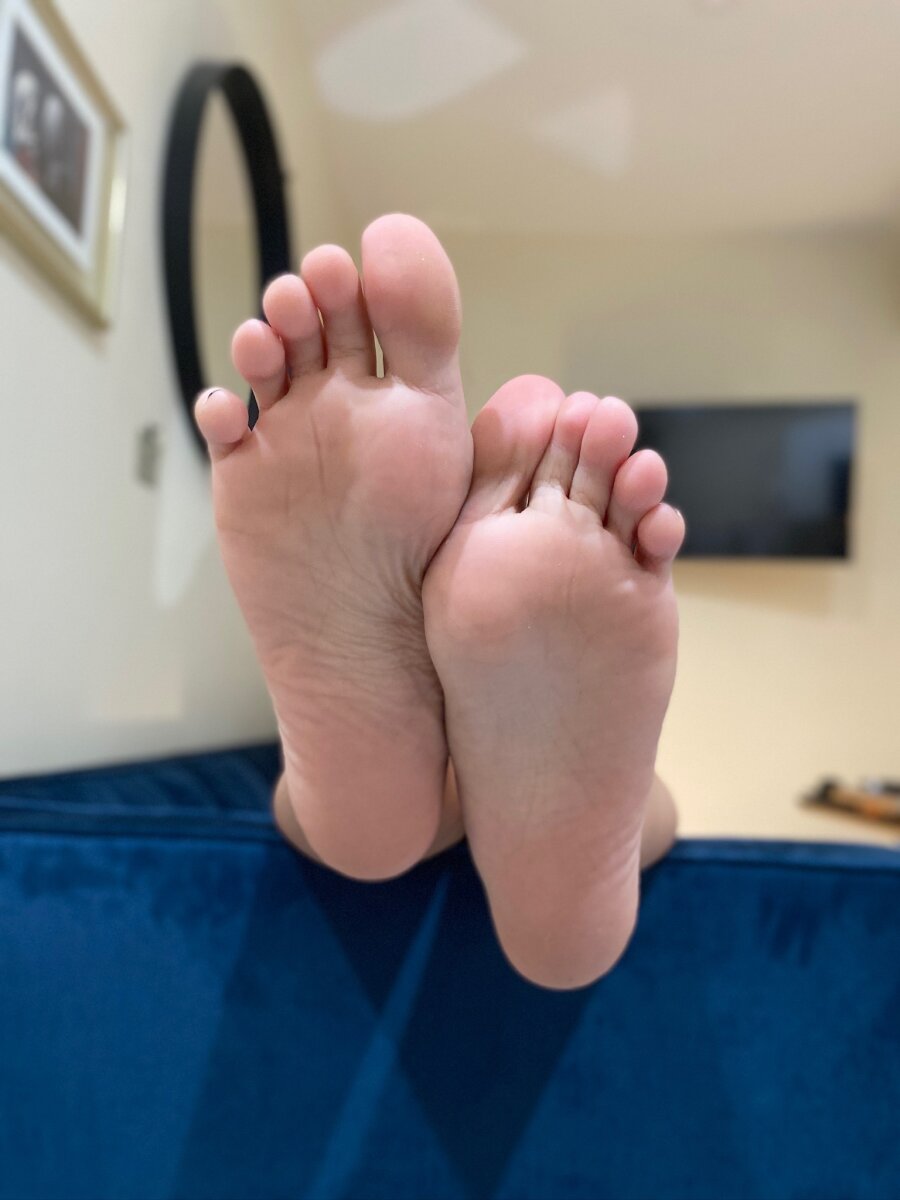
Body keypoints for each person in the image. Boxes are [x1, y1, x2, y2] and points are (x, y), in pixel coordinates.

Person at [194, 214, 684, 991]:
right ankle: (563, 863)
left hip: (379, 792)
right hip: (536, 761)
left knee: (329, 802)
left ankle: (362, 803)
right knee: (656, 808)